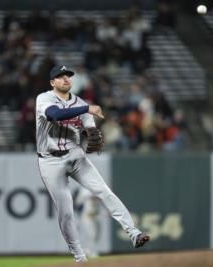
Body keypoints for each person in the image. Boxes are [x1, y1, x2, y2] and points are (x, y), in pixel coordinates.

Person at [35, 65, 149, 262]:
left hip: (75, 156)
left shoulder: (80, 103)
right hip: (50, 160)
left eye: (68, 76)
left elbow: (91, 130)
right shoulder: (44, 99)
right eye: (60, 77)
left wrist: (92, 131)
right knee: (66, 212)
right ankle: (80, 257)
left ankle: (133, 233)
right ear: (53, 82)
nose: (65, 79)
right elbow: (55, 115)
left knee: (105, 191)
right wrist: (87, 108)